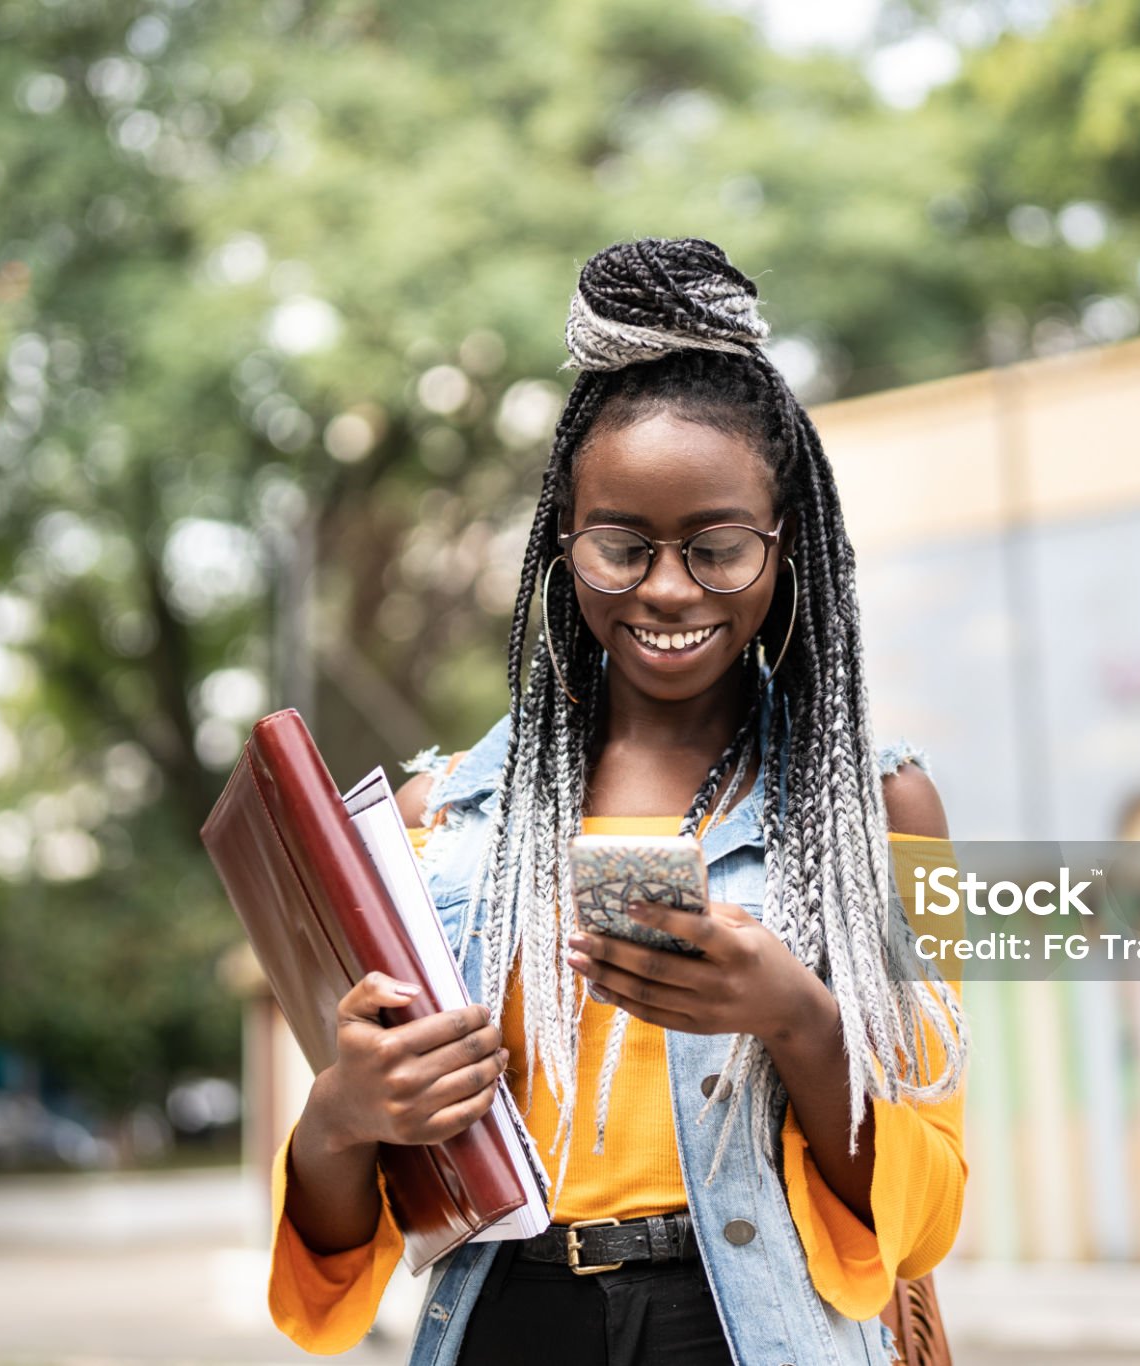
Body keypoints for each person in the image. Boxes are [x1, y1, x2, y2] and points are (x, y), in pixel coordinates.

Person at [267, 236, 969, 1365]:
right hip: (507, 1325)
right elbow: (352, 1248)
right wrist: (344, 1114)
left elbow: (928, 1203)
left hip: (751, 1332)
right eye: (620, 545)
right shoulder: (434, 819)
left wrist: (795, 1017)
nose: (668, 588)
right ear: (559, 543)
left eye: (718, 545)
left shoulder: (890, 814)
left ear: (788, 551)